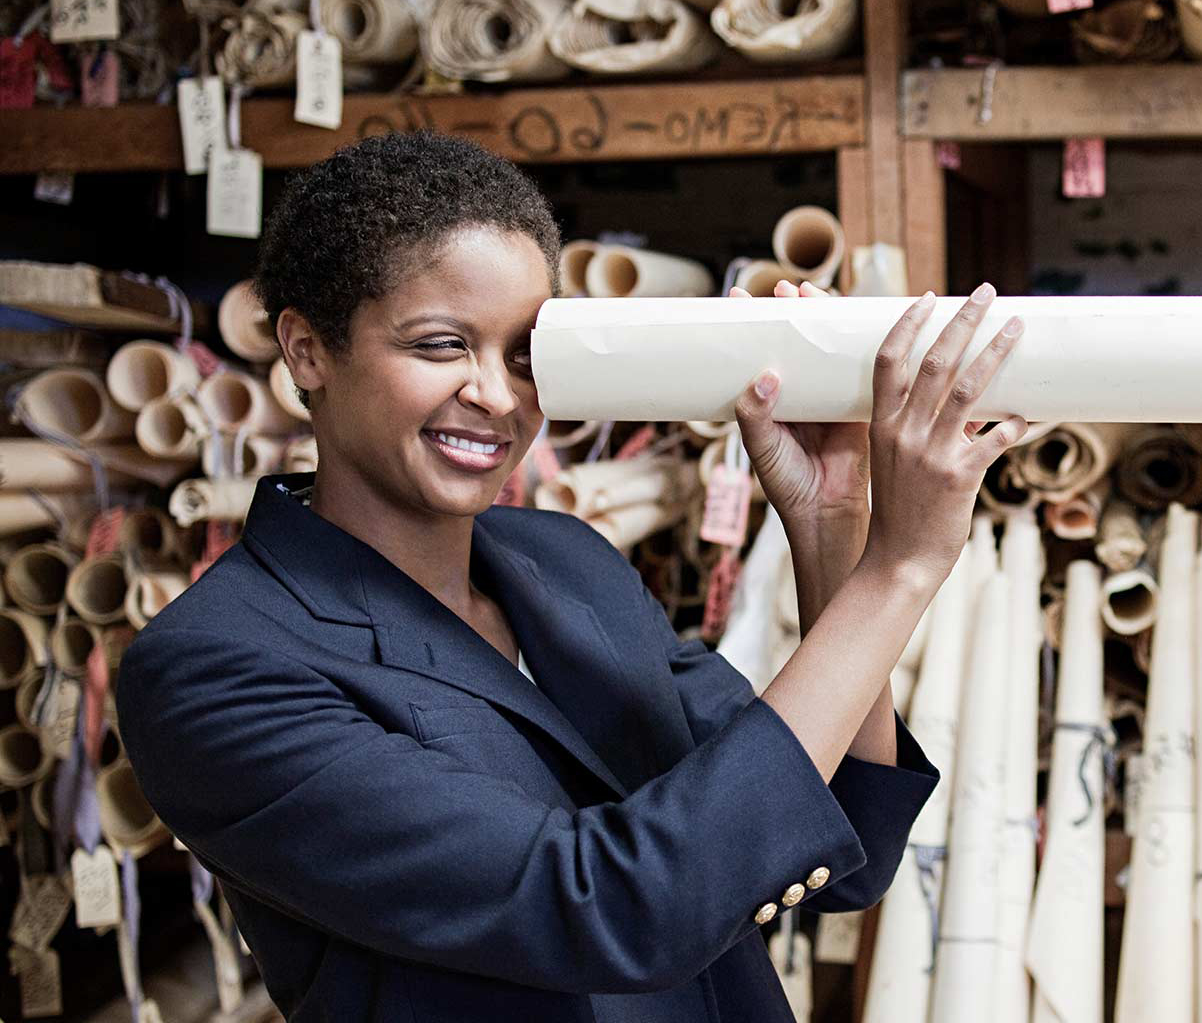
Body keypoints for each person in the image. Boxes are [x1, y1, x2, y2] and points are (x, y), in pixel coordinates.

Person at [114, 132, 1029, 1022]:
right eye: (440, 345)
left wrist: (832, 529)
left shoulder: (566, 562)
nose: (497, 394)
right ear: (308, 350)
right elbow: (612, 909)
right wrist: (900, 569)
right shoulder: (216, 666)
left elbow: (842, 843)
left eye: (524, 355)